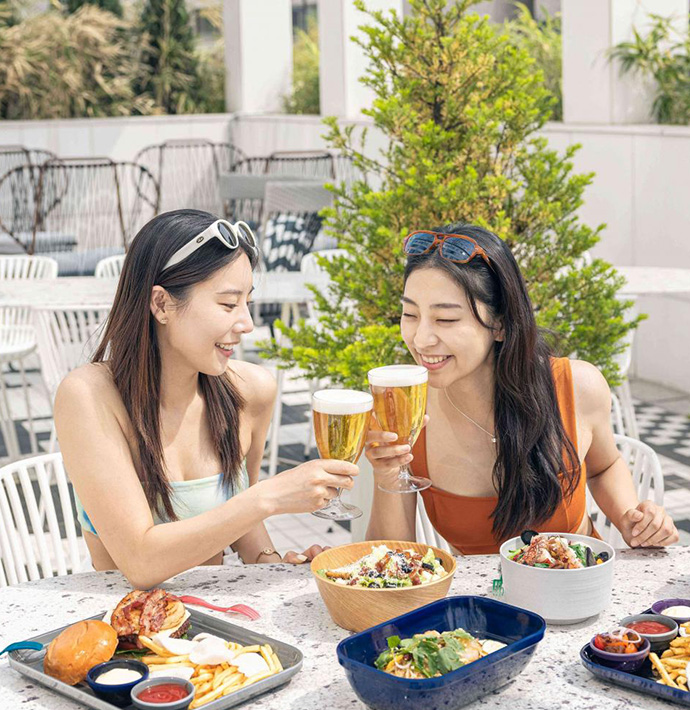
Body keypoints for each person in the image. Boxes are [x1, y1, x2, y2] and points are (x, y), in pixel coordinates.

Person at [56, 210, 358, 588]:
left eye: (248, 301)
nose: (247, 323)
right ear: (161, 304)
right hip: (129, 633)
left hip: (220, 630)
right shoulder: (89, 396)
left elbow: (242, 524)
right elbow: (140, 562)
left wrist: (274, 563)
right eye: (229, 304)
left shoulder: (250, 391)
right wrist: (269, 497)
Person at [365, 224, 678, 553]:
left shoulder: (576, 387)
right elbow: (387, 560)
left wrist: (632, 518)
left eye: (446, 320)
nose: (421, 338)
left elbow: (604, 467)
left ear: (500, 324)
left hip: (580, 589)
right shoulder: (406, 412)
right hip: (479, 602)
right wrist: (386, 475)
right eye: (409, 314)